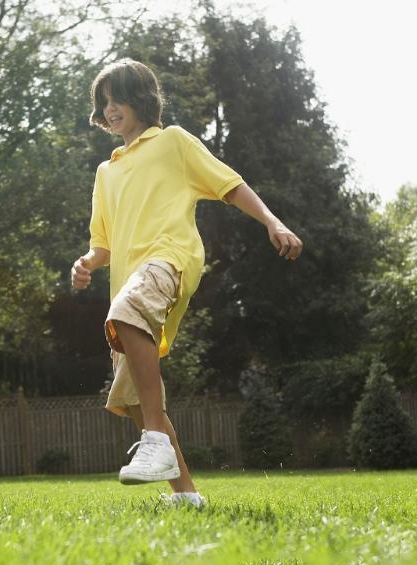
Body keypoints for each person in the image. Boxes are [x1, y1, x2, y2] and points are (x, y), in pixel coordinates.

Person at [70, 60, 302, 509]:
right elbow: (103, 243)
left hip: (170, 259)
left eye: (118, 98)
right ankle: (187, 496)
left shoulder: (173, 141)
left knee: (126, 316)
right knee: (135, 397)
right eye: (104, 102)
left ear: (141, 99)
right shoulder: (107, 172)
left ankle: (154, 440)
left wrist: (272, 222)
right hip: (128, 278)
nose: (111, 108)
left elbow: (229, 185)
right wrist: (87, 262)